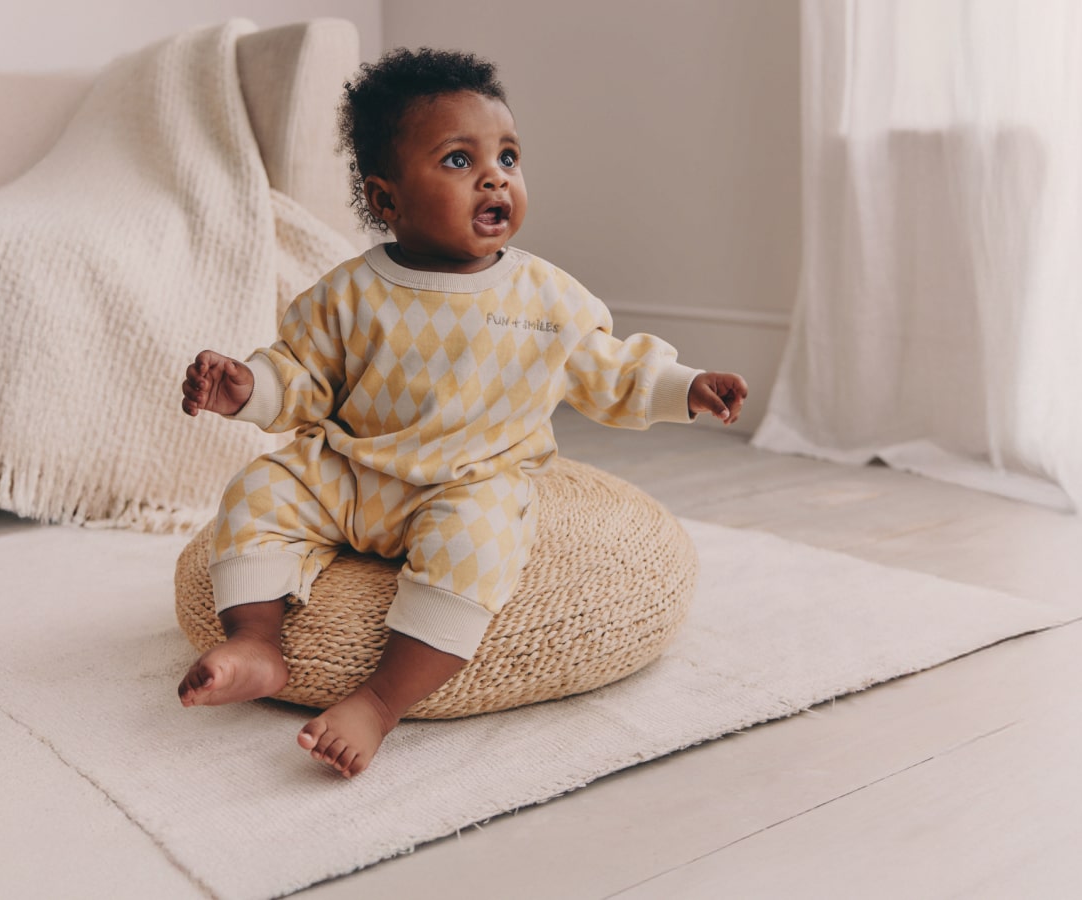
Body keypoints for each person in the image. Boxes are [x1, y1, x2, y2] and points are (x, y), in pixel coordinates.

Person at [176, 47, 748, 778]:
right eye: (458, 160)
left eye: (508, 156)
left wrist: (685, 386)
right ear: (387, 201)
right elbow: (302, 374)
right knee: (257, 491)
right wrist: (247, 388)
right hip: (349, 471)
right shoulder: (349, 293)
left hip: (468, 482)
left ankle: (379, 701)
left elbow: (611, 367)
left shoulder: (545, 297)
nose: (495, 177)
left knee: (479, 547)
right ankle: (256, 641)